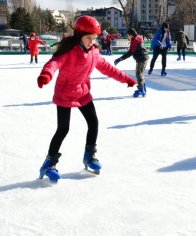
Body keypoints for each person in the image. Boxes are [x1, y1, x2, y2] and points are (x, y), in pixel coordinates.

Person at [36, 16, 137, 183]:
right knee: (63, 129)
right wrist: (46, 75)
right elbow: (53, 63)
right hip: (65, 93)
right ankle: (48, 164)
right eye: (88, 38)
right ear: (79, 35)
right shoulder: (69, 50)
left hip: (83, 93)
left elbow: (108, 68)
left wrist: (126, 79)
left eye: (94, 38)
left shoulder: (93, 53)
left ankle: (89, 156)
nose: (91, 42)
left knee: (93, 122)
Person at [114, 28, 149, 98]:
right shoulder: (138, 37)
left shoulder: (135, 41)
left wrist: (120, 59)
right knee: (140, 74)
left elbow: (130, 53)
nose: (128, 37)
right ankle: (143, 89)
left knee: (138, 74)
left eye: (128, 35)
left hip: (141, 59)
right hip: (144, 58)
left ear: (131, 35)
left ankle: (141, 90)